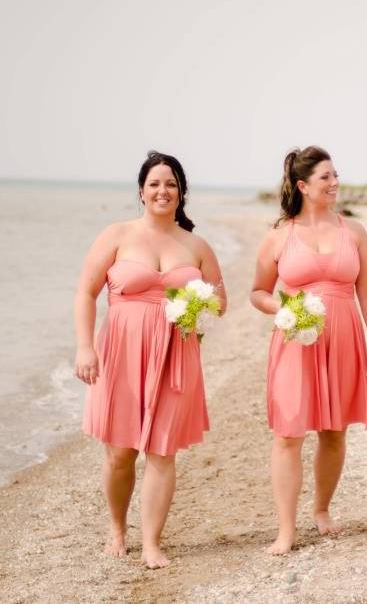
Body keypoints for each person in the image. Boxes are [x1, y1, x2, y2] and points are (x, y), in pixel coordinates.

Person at [74, 151, 226, 568]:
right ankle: (117, 527)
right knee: (121, 452)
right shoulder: (117, 234)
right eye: (155, 183)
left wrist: (196, 311)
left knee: (162, 452)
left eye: (171, 184)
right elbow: (86, 293)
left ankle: (152, 542)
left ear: (181, 193)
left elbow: (219, 301)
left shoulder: (196, 245)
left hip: (176, 357)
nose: (163, 190)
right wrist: (85, 347)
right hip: (121, 353)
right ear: (141, 191)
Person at [249, 146, 367, 554]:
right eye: (326, 177)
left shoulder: (354, 232)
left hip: (343, 336)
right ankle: (285, 530)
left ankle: (322, 509)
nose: (335, 183)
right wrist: (284, 307)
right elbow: (257, 293)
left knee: (334, 431)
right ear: (303, 185)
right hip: (296, 340)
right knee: (288, 433)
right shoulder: (279, 236)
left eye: (336, 175)